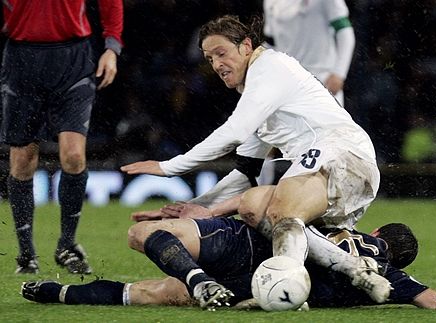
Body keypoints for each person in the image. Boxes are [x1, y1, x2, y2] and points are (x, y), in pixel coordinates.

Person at [121, 15, 389, 304]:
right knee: (256, 206)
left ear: (246, 46)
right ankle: (355, 270)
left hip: (342, 152)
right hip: (349, 173)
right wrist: (195, 207)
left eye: (221, 53)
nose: (217, 65)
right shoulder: (262, 94)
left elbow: (235, 132)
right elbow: (244, 173)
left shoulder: (270, 67)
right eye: (210, 59)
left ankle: (285, 291)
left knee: (282, 210)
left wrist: (169, 167)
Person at [20, 214, 436, 310]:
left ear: (377, 233)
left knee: (147, 236)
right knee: (158, 295)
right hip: (265, 287)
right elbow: (434, 302)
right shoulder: (391, 274)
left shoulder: (340, 223)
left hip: (251, 245)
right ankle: (61, 295)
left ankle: (55, 290)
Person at [0, 0, 123, 274]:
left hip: (73, 58)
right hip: (21, 60)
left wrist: (112, 48)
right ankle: (26, 253)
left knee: (74, 155)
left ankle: (67, 245)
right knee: (22, 161)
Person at [263, 0, 355, 107]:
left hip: (323, 80)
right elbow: (270, 43)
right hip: (287, 82)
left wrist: (339, 73)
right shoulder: (269, 2)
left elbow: (345, 32)